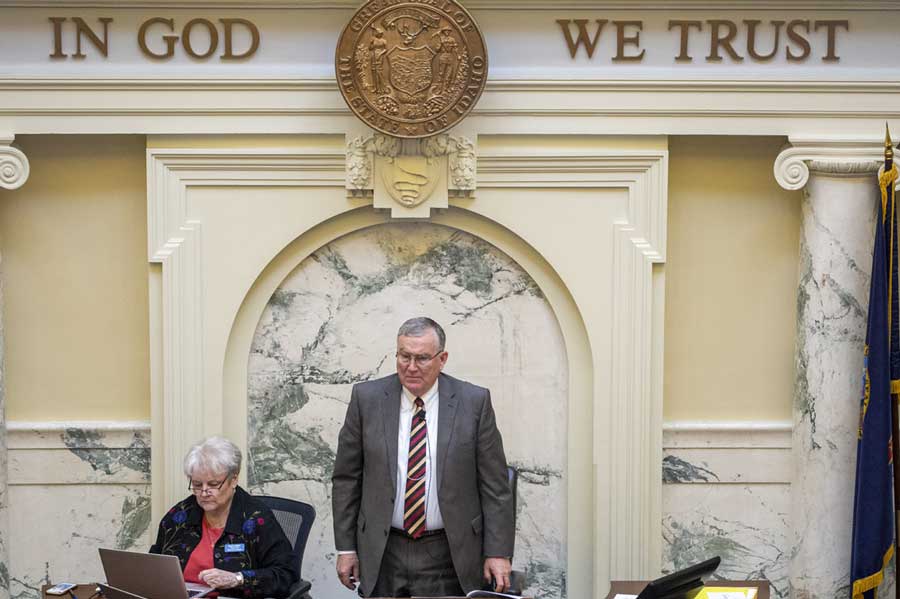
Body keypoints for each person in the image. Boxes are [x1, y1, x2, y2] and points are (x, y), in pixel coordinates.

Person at [332, 317, 514, 597]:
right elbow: (347, 478)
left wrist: (498, 552)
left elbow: (495, 486)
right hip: (384, 550)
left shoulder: (473, 403)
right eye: (404, 356)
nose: (411, 367)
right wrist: (346, 548)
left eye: (422, 358)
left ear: (442, 359)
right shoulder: (366, 399)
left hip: (449, 552)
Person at [149, 436, 302, 598]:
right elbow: (153, 566)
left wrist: (238, 579)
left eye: (213, 484)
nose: (204, 492)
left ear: (233, 479)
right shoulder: (179, 516)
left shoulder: (257, 518)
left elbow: (286, 574)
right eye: (197, 484)